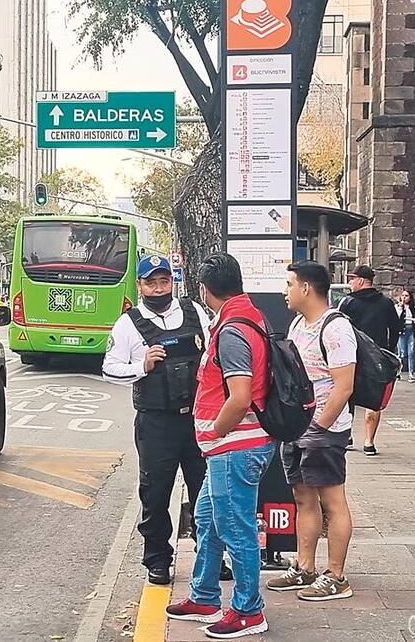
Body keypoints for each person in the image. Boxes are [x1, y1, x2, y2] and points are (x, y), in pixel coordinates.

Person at [164, 253, 273, 639]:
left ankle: (248, 610)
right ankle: (205, 595)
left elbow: (240, 396)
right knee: (208, 520)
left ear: (204, 290)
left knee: (235, 528)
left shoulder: (232, 330)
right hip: (231, 448)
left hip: (235, 446)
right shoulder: (245, 316)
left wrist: (214, 431)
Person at [103, 255, 210, 586]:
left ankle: (210, 557)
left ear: (172, 282)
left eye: (164, 281)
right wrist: (142, 366)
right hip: (156, 424)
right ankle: (158, 560)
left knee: (206, 492)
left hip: (197, 420)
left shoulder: (194, 312)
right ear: (140, 285)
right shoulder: (128, 324)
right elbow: (109, 368)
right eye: (151, 282)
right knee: (155, 493)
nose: (159, 288)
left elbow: (213, 352)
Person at [267, 261, 355, 602]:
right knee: (303, 498)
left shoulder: (335, 329)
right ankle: (305, 568)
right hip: (297, 427)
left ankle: (337, 576)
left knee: (332, 502)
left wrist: (319, 425)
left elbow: (343, 386)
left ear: (306, 288)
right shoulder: (297, 325)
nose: (284, 291)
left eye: (289, 284)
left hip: (325, 428)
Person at [338, 265, 402, 456]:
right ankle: (369, 441)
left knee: (346, 394)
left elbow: (339, 329)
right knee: (374, 398)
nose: (350, 283)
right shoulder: (386, 303)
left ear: (361, 281)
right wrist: (388, 351)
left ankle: (347, 435)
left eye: (352, 279)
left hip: (352, 357)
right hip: (377, 358)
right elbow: (396, 329)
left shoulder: (347, 303)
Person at [395, 289, 415, 382]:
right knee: (402, 353)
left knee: (411, 352)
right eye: (403, 295)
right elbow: (397, 316)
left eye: (406, 296)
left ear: (410, 298)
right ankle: (398, 373)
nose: (404, 297)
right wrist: (400, 306)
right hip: (402, 331)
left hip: (410, 330)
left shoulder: (413, 308)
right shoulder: (397, 307)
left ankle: (411, 374)